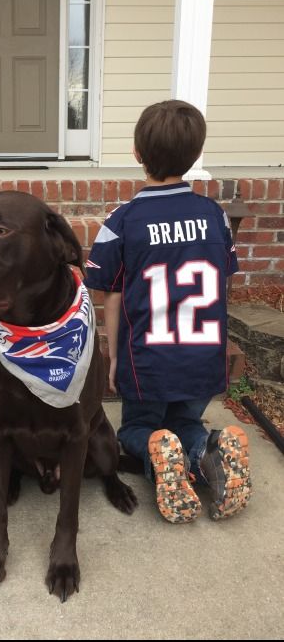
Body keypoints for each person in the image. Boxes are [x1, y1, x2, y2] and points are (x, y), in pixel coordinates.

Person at [84, 99, 252, 524]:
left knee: (136, 428)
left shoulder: (123, 220)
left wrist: (116, 355)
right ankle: (205, 450)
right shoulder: (214, 216)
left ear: (137, 153)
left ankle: (157, 450)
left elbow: (111, 293)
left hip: (150, 362)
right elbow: (221, 283)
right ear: (195, 156)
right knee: (185, 421)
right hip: (202, 358)